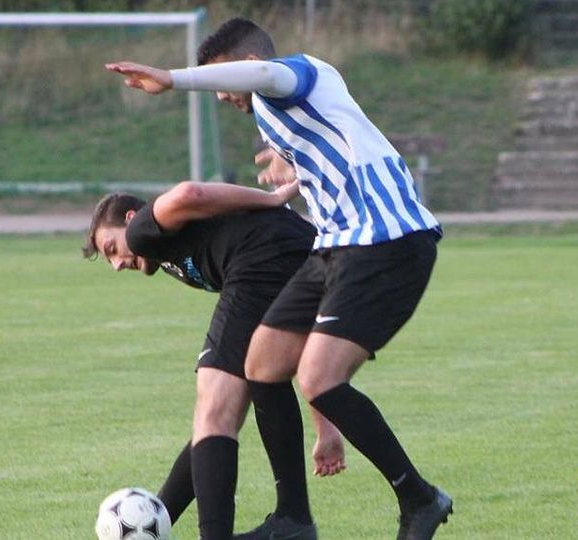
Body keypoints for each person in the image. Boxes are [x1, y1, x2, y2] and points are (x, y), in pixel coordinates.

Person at [106, 17, 452, 540]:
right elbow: (330, 152)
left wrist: (173, 79)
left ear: (248, 65)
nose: (223, 95)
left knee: (319, 377)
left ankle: (419, 498)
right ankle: (293, 518)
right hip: (333, 246)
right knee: (262, 363)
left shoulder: (297, 73)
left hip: (385, 238)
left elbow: (265, 76)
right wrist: (293, 166)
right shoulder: (278, 116)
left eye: (224, 80)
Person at [83, 180, 346, 540]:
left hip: (263, 258)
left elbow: (190, 193)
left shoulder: (143, 229)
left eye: (112, 248)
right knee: (237, 398)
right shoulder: (167, 250)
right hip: (310, 258)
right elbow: (301, 350)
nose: (117, 265)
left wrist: (273, 197)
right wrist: (325, 426)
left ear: (131, 218)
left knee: (213, 408)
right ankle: (290, 519)